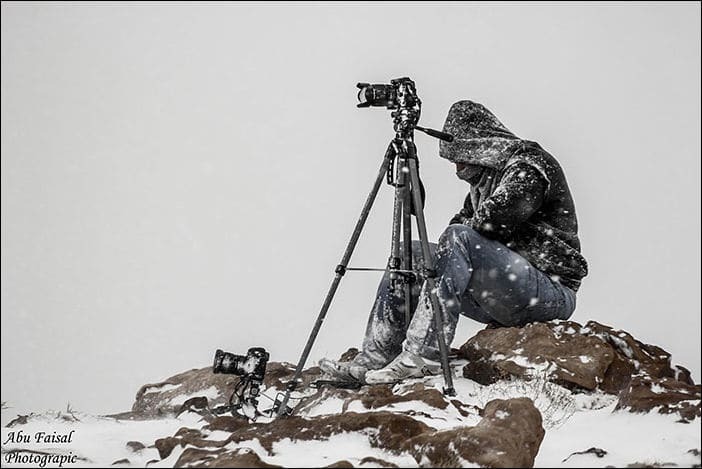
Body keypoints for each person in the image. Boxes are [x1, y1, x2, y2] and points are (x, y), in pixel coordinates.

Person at [319, 100, 588, 384]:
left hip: (550, 292)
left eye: (458, 156)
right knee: (410, 252)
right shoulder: (483, 183)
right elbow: (457, 236)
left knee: (457, 238)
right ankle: (375, 357)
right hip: (504, 293)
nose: (456, 166)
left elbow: (494, 220)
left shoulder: (529, 164)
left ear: (477, 144)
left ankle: (424, 354)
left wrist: (459, 240)